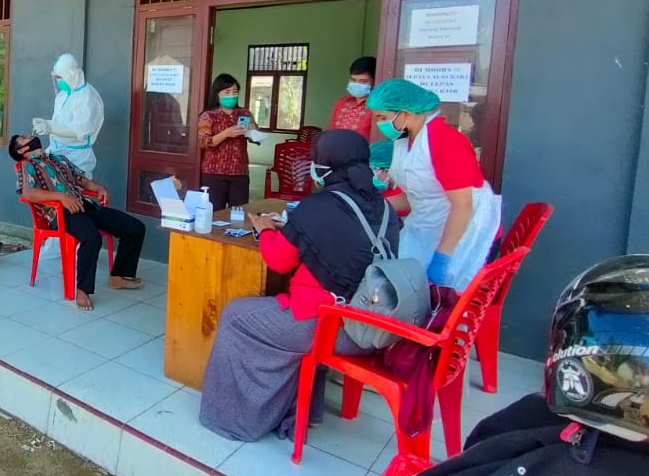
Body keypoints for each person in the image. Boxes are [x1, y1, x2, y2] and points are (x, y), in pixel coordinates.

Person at [199, 130, 400, 442]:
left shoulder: (319, 206)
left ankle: (234, 419)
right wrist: (298, 230)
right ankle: (305, 411)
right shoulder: (384, 208)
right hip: (370, 325)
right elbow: (346, 244)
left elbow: (279, 261)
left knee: (235, 316)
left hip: (330, 326)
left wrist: (265, 230)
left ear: (326, 165)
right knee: (275, 313)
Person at [366, 77, 501, 290]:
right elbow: (417, 195)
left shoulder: (445, 141)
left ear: (405, 114)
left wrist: (442, 258)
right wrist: (373, 206)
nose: (379, 124)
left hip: (464, 232)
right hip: (428, 226)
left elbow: (463, 205)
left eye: (382, 117)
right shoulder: (404, 142)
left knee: (441, 294)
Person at [9, 133, 144, 312]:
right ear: (22, 150)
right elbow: (27, 192)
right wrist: (61, 197)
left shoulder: (58, 159)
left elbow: (82, 180)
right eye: (24, 138)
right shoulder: (27, 165)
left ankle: (119, 276)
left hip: (85, 206)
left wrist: (99, 188)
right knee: (91, 238)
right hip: (62, 214)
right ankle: (83, 290)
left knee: (135, 228)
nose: (30, 135)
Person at [32, 53, 104, 177]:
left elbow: (79, 132)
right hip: (56, 153)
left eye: (60, 77)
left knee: (70, 188)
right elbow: (62, 123)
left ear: (72, 75)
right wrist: (46, 123)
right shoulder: (63, 95)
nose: (58, 81)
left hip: (76, 160)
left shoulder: (86, 97)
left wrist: (50, 128)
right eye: (56, 77)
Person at [197, 73, 255, 211]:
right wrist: (226, 133)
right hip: (214, 172)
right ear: (217, 94)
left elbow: (255, 137)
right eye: (227, 92)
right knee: (215, 212)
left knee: (238, 213)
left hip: (239, 172)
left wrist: (252, 131)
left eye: (235, 92)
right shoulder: (208, 115)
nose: (231, 95)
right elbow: (204, 142)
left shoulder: (245, 114)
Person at [328, 56, 376, 138]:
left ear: (374, 82)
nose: (357, 84)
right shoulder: (341, 103)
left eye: (363, 81)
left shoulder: (376, 107)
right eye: (353, 80)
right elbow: (331, 133)